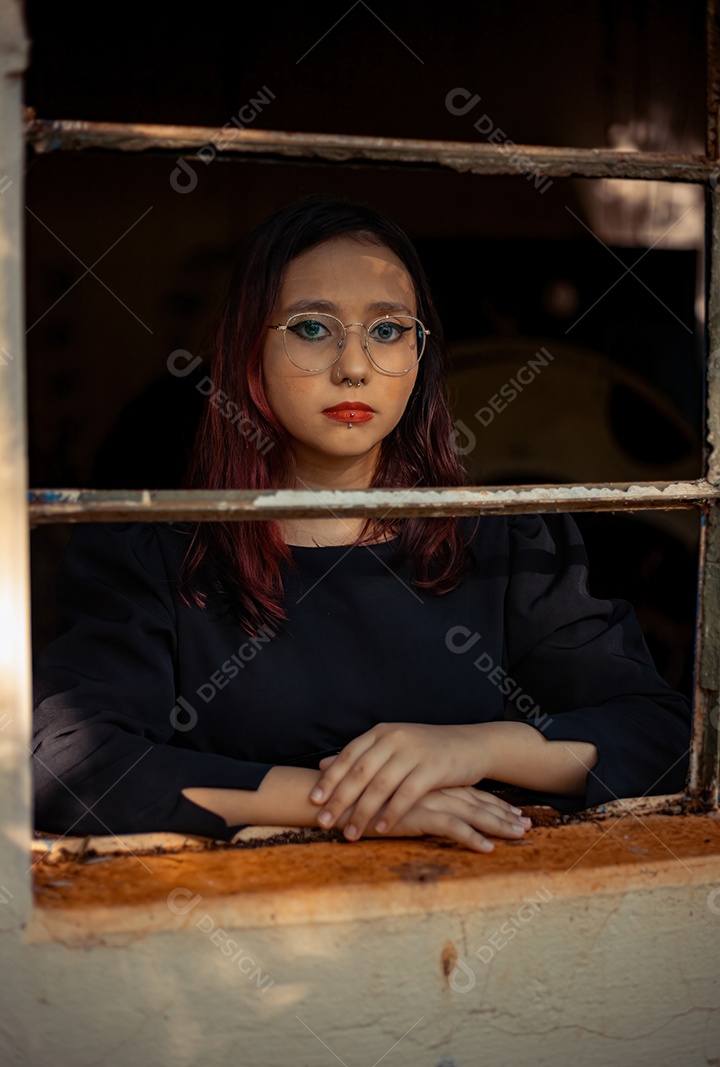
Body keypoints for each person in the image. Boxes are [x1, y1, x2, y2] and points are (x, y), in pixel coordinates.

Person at [32, 194, 691, 853]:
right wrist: (348, 805)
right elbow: (62, 764)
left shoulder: (503, 541)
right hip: (256, 918)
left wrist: (474, 749)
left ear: (420, 354)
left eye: (387, 330)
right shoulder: (155, 549)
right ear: (244, 350)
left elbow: (660, 735)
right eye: (312, 328)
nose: (354, 367)